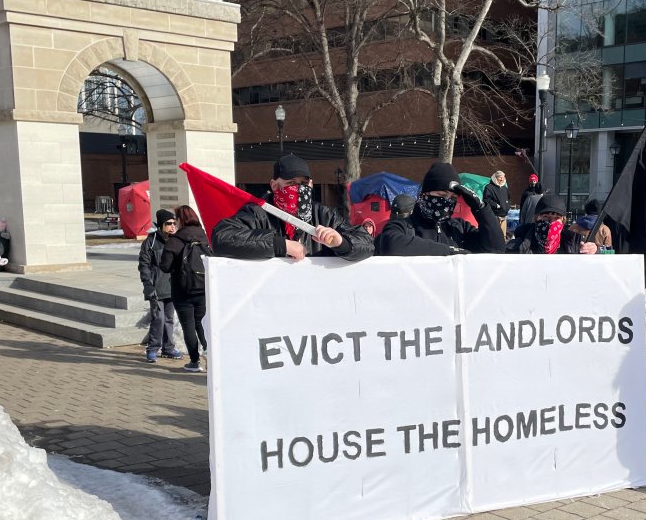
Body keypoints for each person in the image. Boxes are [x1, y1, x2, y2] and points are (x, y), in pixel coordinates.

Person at [211, 154, 372, 262]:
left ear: (311, 184)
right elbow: (222, 237)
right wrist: (281, 245)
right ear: (274, 185)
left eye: (303, 184)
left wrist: (342, 243)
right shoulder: (258, 213)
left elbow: (367, 243)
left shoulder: (324, 215)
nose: (298, 189)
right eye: (291, 183)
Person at [375, 162, 505, 256]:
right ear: (424, 195)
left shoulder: (459, 228)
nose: (447, 201)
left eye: (453, 197)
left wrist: (481, 208)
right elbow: (391, 243)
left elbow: (496, 247)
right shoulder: (405, 225)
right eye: (441, 195)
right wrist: (450, 251)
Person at [158, 205, 211, 373]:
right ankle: (210, 352)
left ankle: (195, 362)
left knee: (188, 326)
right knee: (203, 323)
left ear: (181, 220)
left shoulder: (175, 241)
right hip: (204, 287)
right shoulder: (206, 236)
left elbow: (165, 267)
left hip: (182, 290)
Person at [138, 209, 182, 363]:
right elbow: (144, 265)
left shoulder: (176, 240)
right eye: (168, 223)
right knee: (159, 319)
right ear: (161, 225)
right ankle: (152, 348)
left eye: (174, 223)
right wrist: (148, 285)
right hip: (156, 288)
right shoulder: (150, 242)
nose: (172, 226)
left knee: (169, 319)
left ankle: (168, 349)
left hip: (172, 287)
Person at [508, 193, 598, 254]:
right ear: (536, 218)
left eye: (556, 218)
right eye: (546, 217)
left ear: (563, 221)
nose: (551, 222)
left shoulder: (573, 242)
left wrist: (594, 250)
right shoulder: (521, 242)